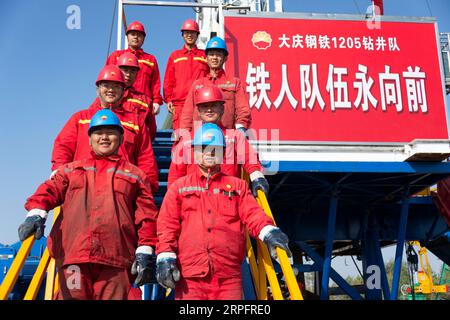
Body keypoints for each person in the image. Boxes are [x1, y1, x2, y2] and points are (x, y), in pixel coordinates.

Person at [18, 109, 158, 300]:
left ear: (121, 137)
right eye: (98, 133)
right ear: (90, 139)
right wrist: (36, 212)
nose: (104, 138)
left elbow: (147, 217)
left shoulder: (135, 176)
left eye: (110, 132)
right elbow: (49, 190)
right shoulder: (70, 170)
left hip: (115, 260)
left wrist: (145, 249)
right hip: (74, 258)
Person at [155, 123, 291, 300]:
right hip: (190, 278)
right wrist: (165, 256)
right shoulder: (179, 188)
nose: (210, 153)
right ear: (194, 152)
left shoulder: (238, 187)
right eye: (204, 148)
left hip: (228, 278)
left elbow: (253, 214)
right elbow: (167, 226)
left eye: (215, 149)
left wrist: (269, 232)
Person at [51, 65, 159, 193]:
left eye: (116, 86)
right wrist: (59, 171)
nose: (111, 90)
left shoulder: (136, 122)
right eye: (106, 85)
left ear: (124, 91)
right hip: (82, 187)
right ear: (98, 90)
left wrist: (148, 187)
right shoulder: (80, 118)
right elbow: (63, 146)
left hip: (120, 190)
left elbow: (145, 157)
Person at [169, 85, 269, 196]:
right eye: (205, 106)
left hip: (227, 200)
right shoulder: (187, 140)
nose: (209, 110)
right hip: (194, 204)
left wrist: (257, 177)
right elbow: (175, 175)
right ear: (198, 111)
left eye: (214, 105)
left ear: (222, 108)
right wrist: (173, 198)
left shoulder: (235, 137)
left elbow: (250, 159)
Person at [179, 36, 252, 133]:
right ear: (206, 58)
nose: (214, 58)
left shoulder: (235, 83)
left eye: (218, 55)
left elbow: (243, 109)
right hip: (199, 137)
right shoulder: (198, 84)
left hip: (226, 137)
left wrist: (241, 128)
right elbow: (187, 114)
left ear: (225, 58)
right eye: (211, 54)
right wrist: (184, 132)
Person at [106, 21, 162, 139]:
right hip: (120, 104)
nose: (136, 37)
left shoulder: (150, 59)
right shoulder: (116, 56)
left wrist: (156, 101)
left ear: (143, 38)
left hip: (142, 106)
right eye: (133, 34)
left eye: (139, 35)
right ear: (127, 36)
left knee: (145, 136)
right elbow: (107, 79)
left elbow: (155, 82)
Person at [163, 19, 209, 130]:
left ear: (197, 35)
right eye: (187, 32)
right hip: (179, 105)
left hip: (199, 104)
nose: (189, 35)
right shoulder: (175, 56)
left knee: (198, 138)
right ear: (182, 34)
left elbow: (210, 78)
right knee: (180, 138)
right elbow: (168, 80)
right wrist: (168, 99)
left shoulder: (204, 56)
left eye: (193, 32)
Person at [116, 52, 155, 140]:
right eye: (125, 70)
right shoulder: (107, 97)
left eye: (132, 71)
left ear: (137, 74)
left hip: (135, 149)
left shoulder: (145, 101)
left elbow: (151, 131)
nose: (128, 75)